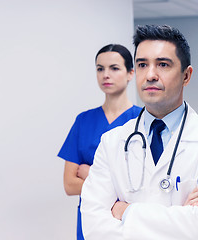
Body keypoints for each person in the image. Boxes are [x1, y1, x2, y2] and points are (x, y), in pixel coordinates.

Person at [80, 24, 198, 240]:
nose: (150, 75)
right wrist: (181, 215)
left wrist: (125, 211)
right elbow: (94, 228)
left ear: (186, 76)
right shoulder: (112, 142)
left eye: (163, 64)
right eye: (142, 64)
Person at [58, 44, 142, 240]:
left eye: (114, 68)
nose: (106, 75)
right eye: (100, 68)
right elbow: (69, 184)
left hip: (127, 218)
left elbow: (143, 186)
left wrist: (91, 175)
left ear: (130, 73)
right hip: (89, 217)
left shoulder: (143, 120)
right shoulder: (83, 120)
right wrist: (115, 185)